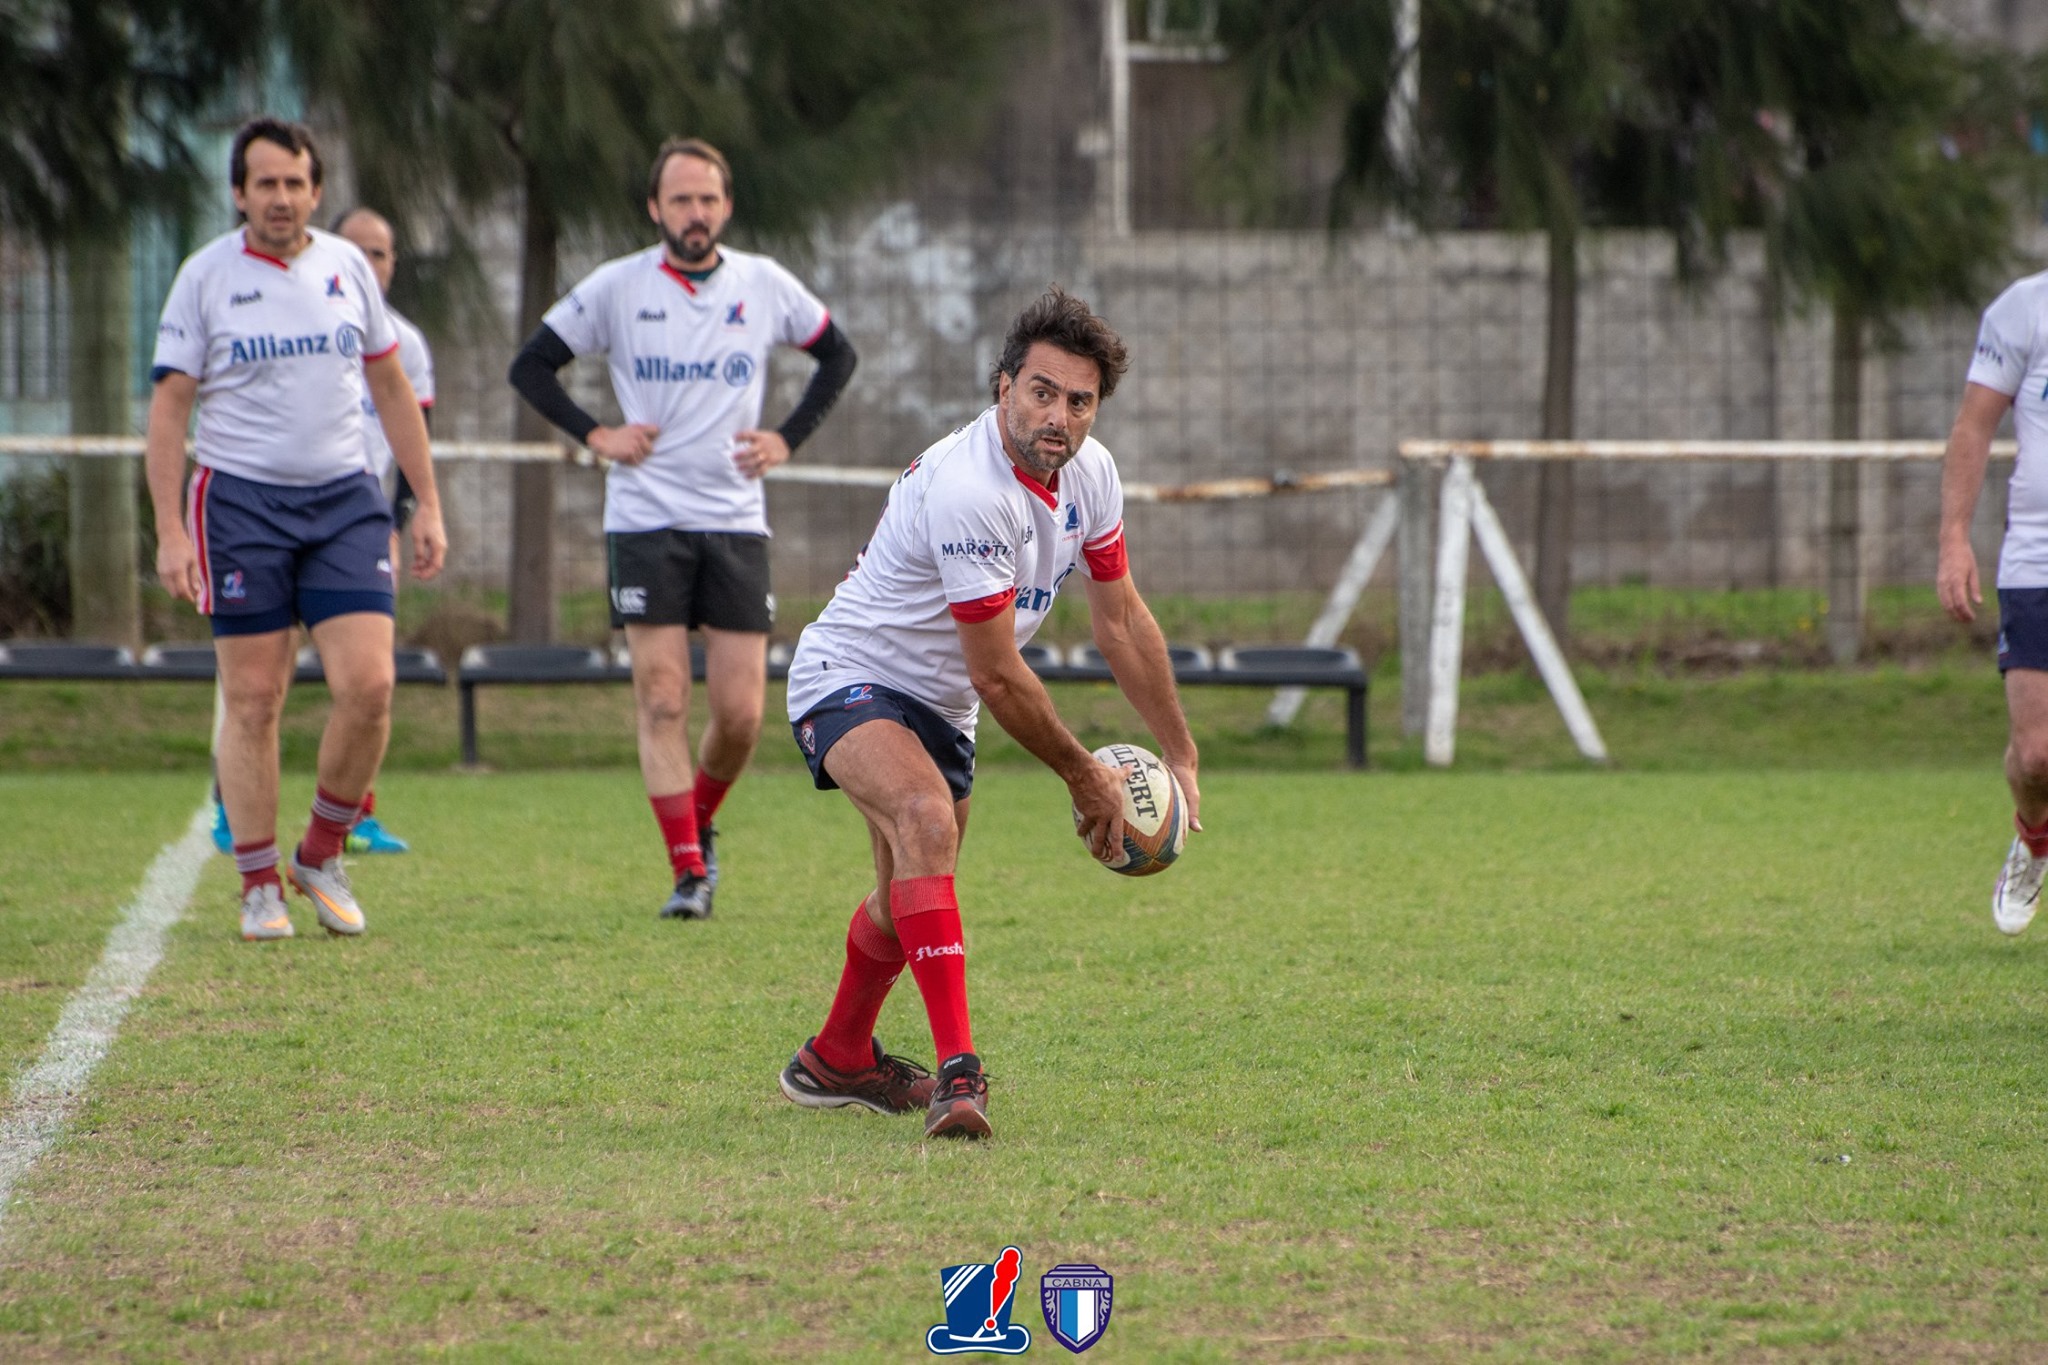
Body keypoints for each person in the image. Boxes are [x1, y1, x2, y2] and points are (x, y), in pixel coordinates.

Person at [776, 287, 1202, 1140]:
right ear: (1003, 387)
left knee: (909, 900)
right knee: (926, 820)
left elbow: (1120, 620)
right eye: (1042, 391)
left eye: (1080, 400)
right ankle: (959, 1075)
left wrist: (1179, 752)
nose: (1060, 415)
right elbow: (1002, 677)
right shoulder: (972, 488)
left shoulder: (1092, 475)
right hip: (848, 674)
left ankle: (836, 1058)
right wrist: (1087, 780)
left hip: (940, 707)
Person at [508, 136, 857, 921]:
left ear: (725, 206)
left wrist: (786, 438)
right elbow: (530, 365)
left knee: (740, 715)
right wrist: (596, 434)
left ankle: (699, 819)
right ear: (655, 208)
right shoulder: (618, 286)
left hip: (735, 519)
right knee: (663, 697)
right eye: (680, 200)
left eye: (707, 200)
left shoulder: (763, 284)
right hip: (645, 514)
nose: (695, 213)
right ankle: (689, 869)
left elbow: (837, 356)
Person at [146, 118, 446, 942]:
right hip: (238, 505)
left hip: (345, 500)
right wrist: (171, 530)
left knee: (371, 687)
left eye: (295, 183)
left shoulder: (349, 267)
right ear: (239, 193)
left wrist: (425, 501)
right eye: (264, 184)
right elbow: (170, 409)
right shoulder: (204, 277)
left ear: (316, 190)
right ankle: (256, 882)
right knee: (253, 697)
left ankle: (320, 851)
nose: (281, 198)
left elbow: (390, 386)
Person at [1940, 267, 2048, 935]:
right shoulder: (2022, 309)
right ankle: (2034, 841)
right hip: (2036, 559)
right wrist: (1953, 536)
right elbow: (1974, 426)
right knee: (2037, 756)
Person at [333, 205, 437, 854]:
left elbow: (408, 441)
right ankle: (232, 807)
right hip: (288, 514)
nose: (369, 264)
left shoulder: (408, 345)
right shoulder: (305, 327)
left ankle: (357, 813)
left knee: (370, 679)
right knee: (268, 672)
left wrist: (405, 519)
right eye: (357, 250)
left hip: (363, 523)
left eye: (380, 253)